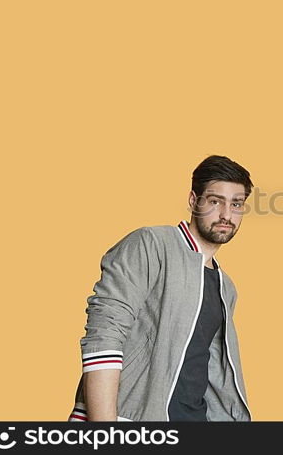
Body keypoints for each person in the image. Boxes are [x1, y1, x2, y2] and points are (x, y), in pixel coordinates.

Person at [69, 155, 254, 421]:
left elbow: (215, 372)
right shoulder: (151, 245)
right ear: (194, 201)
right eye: (215, 201)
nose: (226, 214)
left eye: (236, 204)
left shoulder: (226, 287)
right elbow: (105, 333)